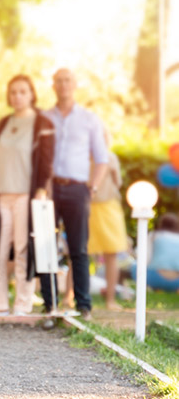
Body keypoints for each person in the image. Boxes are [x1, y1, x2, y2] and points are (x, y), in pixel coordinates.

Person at [0, 74, 55, 316]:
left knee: (24, 249)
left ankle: (22, 303)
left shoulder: (42, 123)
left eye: (23, 91)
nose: (18, 96)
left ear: (32, 94)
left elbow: (46, 161)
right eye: (13, 92)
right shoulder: (2, 123)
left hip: (27, 195)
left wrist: (41, 191)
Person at [40, 69, 109, 320]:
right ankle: (49, 305)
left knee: (78, 247)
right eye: (58, 80)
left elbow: (102, 159)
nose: (63, 85)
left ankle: (83, 305)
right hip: (48, 189)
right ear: (53, 85)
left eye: (68, 80)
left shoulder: (90, 119)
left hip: (78, 189)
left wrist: (92, 187)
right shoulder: (44, 117)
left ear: (75, 85)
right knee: (46, 246)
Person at [87, 133, 128, 310]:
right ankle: (110, 300)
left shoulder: (84, 158)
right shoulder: (110, 157)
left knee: (80, 254)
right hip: (97, 208)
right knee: (105, 254)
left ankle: (69, 297)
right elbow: (117, 182)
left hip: (100, 208)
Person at [131, 213, 179, 292]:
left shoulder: (154, 235)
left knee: (134, 266)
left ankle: (152, 287)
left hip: (154, 278)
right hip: (176, 282)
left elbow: (143, 258)